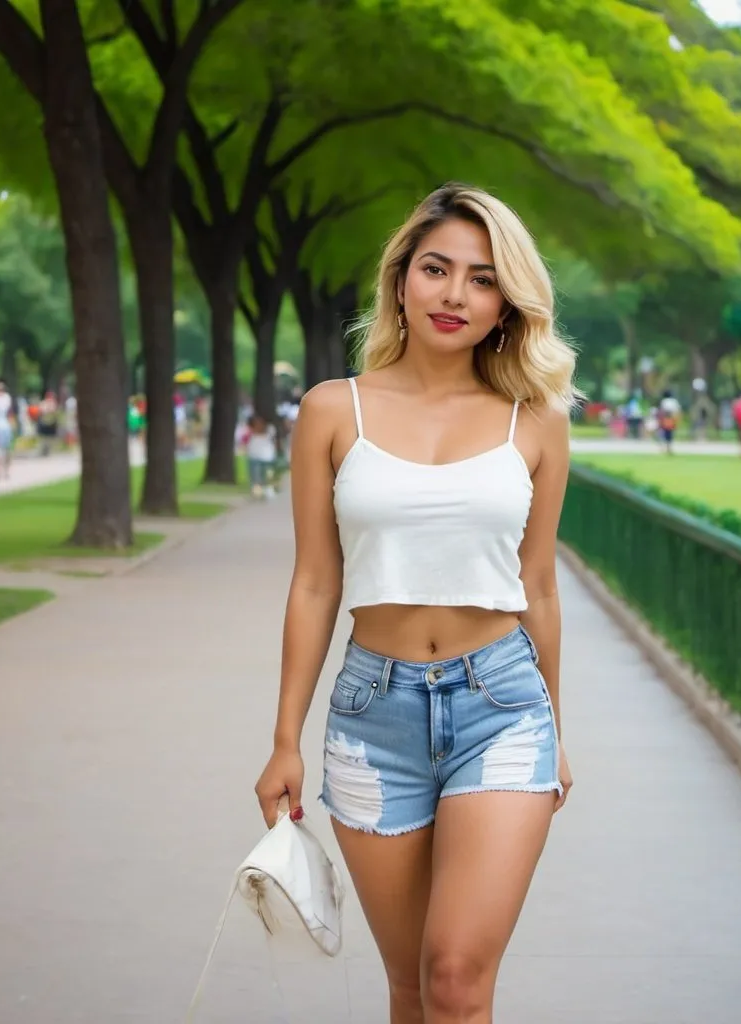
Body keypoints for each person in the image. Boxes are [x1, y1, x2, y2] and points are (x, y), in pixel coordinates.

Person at [254, 183, 573, 1024]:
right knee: (410, 989)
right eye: (437, 270)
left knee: (458, 978)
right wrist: (285, 738)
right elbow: (315, 582)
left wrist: (557, 733)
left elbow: (538, 585)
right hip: (372, 716)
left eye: (481, 278)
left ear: (506, 303)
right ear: (401, 280)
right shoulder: (332, 410)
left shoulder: (534, 422)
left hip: (503, 709)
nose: (455, 294)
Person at [245, 413, 277, 498]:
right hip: (254, 457)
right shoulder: (251, 432)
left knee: (268, 475)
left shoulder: (270, 430)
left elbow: (274, 441)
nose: (259, 424)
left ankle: (268, 489)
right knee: (256, 476)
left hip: (267, 457)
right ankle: (257, 492)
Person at [657, 389, 681, 453]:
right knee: (670, 434)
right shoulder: (674, 401)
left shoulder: (664, 401)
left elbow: (662, 411)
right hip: (672, 418)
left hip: (666, 419)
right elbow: (677, 410)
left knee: (665, 433)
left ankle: (664, 447)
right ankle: (669, 448)